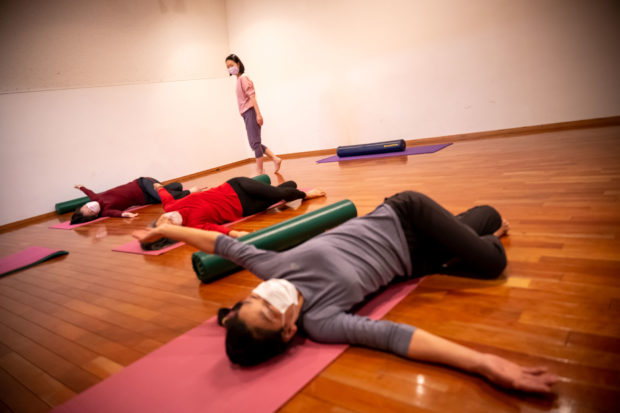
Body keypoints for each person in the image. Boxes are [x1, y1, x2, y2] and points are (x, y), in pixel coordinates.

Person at [134, 191, 558, 394]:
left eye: (252, 299)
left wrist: (165, 230)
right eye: (267, 311)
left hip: (405, 214)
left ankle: (471, 240)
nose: (264, 295)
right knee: (488, 226)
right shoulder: (322, 322)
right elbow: (395, 337)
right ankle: (471, 237)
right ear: (288, 332)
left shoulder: (271, 269)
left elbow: (220, 245)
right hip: (418, 260)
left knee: (489, 258)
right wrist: (483, 363)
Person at [152, 177, 325, 238]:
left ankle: (304, 195)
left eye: (164, 218)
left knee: (276, 194)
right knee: (282, 191)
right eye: (169, 223)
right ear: (177, 229)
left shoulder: (169, 205)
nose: (168, 217)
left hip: (236, 186)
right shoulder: (194, 225)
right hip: (246, 207)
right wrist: (239, 234)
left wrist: (158, 186)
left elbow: (163, 192)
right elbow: (219, 230)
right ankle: (291, 191)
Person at [225, 54, 282, 175]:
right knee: (254, 143)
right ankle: (275, 159)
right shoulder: (238, 79)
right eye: (228, 67)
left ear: (238, 64)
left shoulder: (243, 78)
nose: (230, 68)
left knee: (255, 143)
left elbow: (252, 96)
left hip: (250, 112)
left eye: (231, 65)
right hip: (246, 114)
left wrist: (258, 114)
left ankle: (260, 171)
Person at [71, 177, 191, 224]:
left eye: (86, 207)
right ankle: (176, 187)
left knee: (163, 197)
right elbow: (116, 213)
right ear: (95, 215)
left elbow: (87, 191)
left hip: (143, 183)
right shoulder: (105, 211)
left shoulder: (95, 197)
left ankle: (188, 192)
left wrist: (79, 186)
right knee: (168, 193)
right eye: (91, 211)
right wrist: (127, 214)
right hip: (146, 199)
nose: (91, 207)